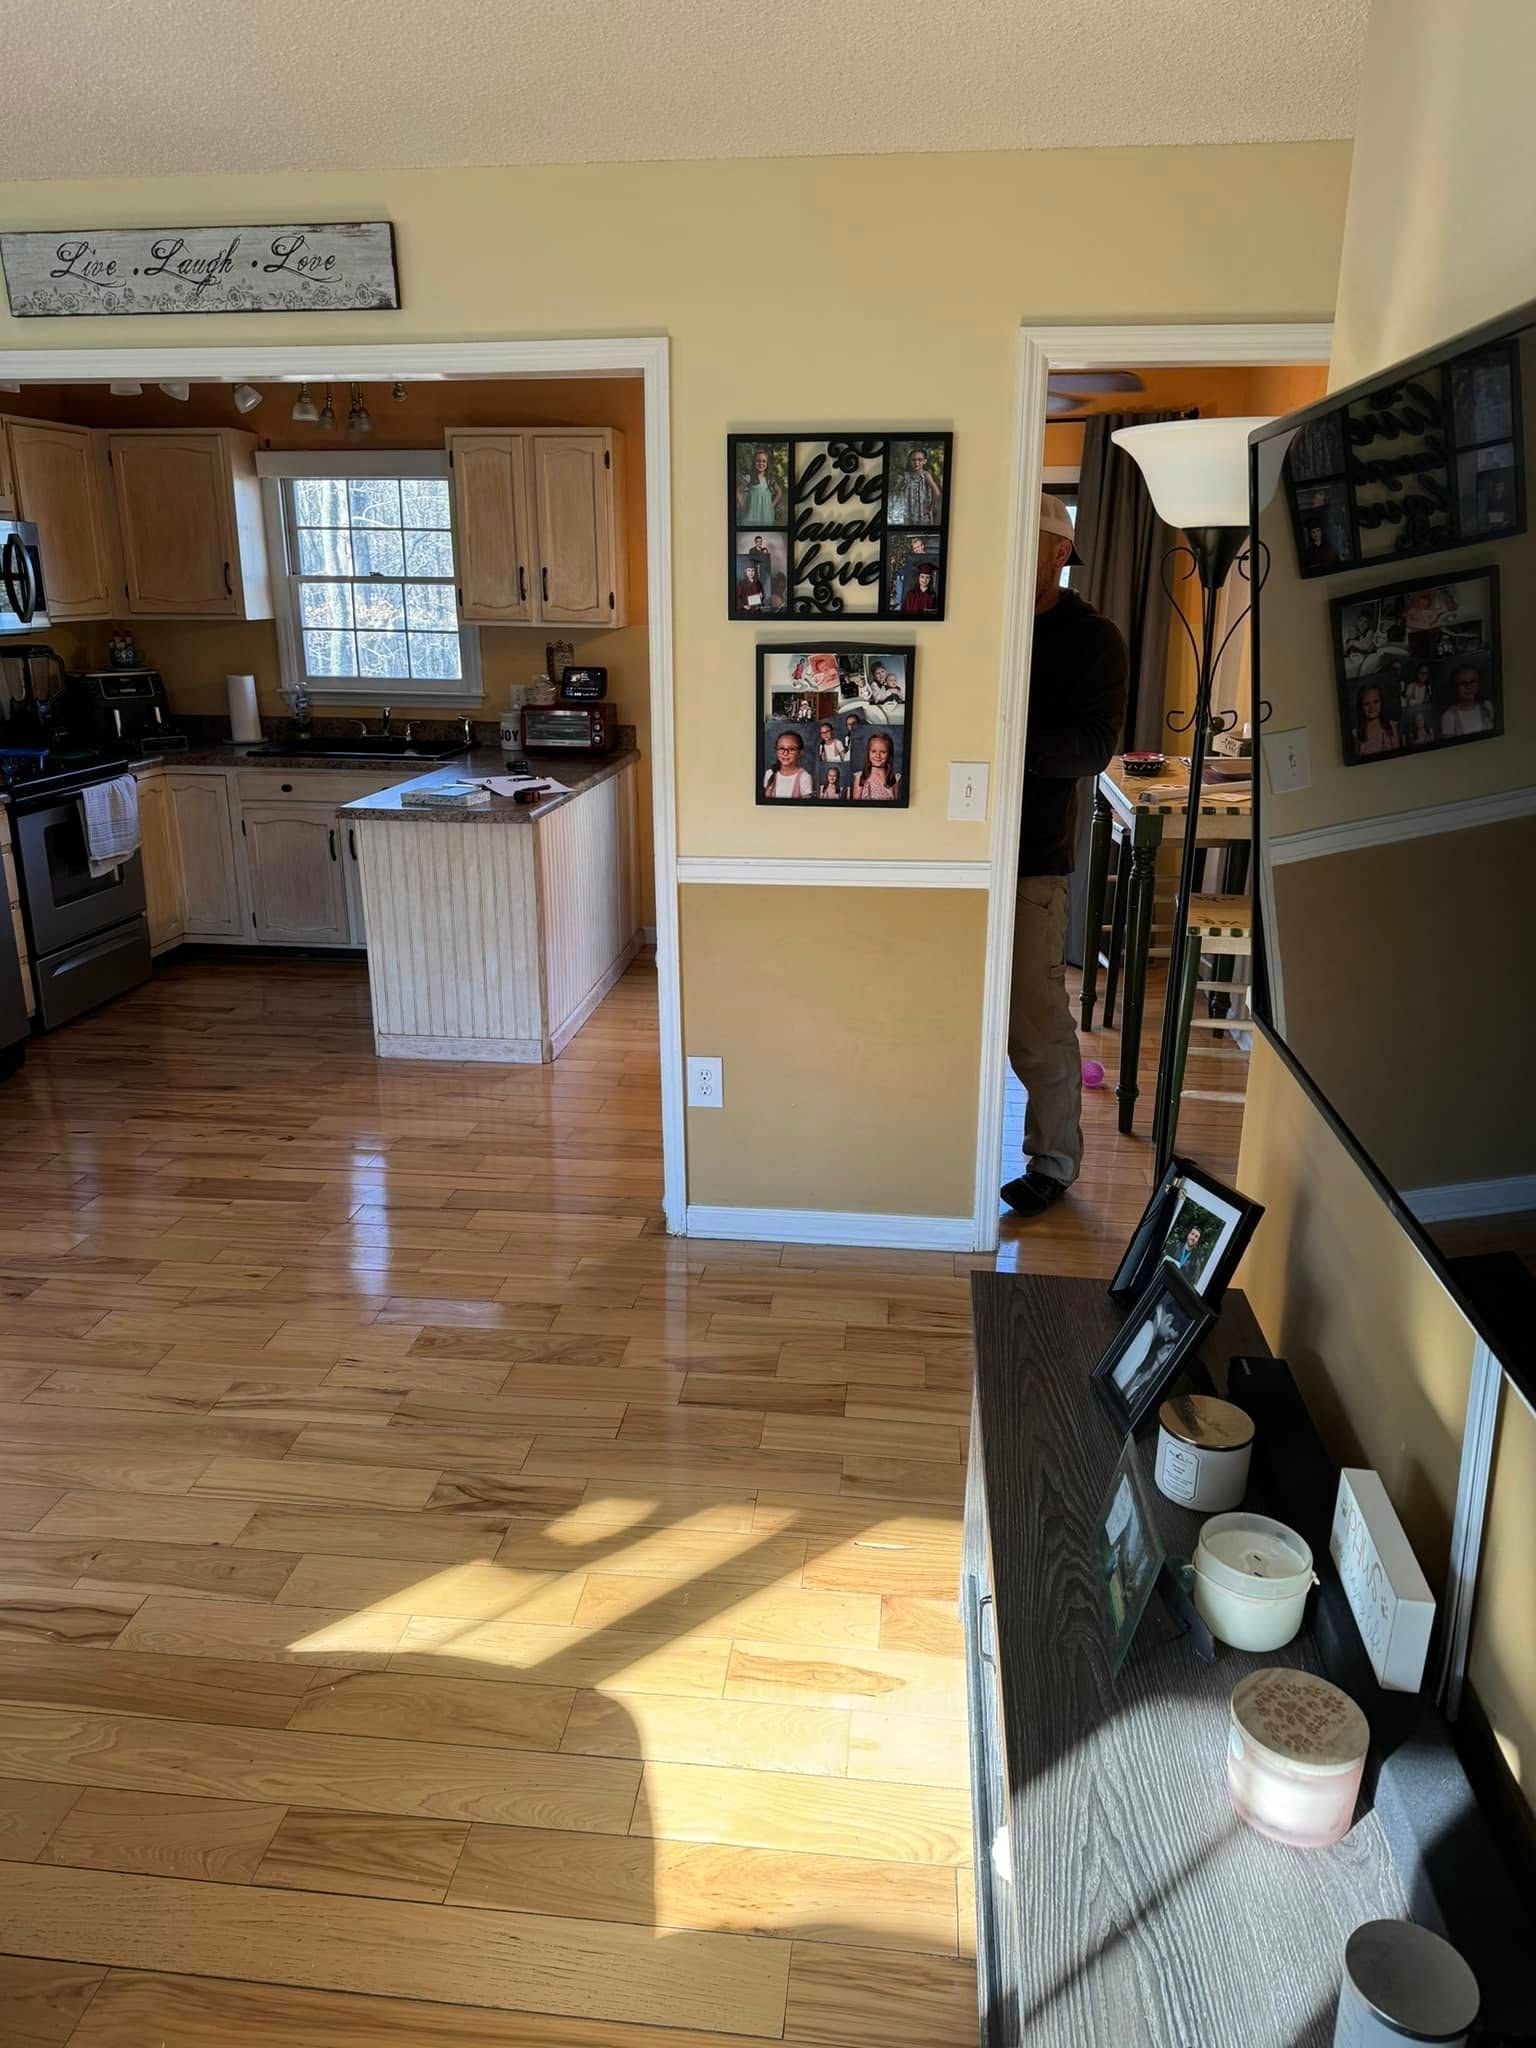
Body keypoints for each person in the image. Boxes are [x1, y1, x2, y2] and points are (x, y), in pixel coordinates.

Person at [1002, 494, 1128, 1219]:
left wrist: (1004, 743)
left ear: (1059, 553)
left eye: (1032, 542)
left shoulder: (1093, 639)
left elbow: (1092, 748)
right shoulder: (982, 619)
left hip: (1034, 855)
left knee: (1037, 1017)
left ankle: (1052, 1162)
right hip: (957, 849)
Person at [888, 446, 942, 527]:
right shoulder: (906, 476)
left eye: (920, 460)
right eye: (914, 460)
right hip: (908, 512)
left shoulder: (925, 475)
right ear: (910, 461)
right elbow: (896, 490)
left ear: (924, 461)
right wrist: (899, 501)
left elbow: (936, 492)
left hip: (922, 513)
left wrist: (930, 507)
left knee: (922, 529)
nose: (916, 462)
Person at [1440, 664, 1494, 737]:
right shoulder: (1449, 716)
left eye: (1473, 681)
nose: (1468, 687)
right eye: (1463, 683)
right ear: (1455, 687)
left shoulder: (1487, 705)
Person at [738, 447, 783, 526]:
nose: (761, 463)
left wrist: (772, 505)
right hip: (751, 514)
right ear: (754, 462)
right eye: (758, 461)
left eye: (764, 461)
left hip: (766, 513)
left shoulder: (769, 478)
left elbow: (779, 492)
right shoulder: (749, 477)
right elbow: (738, 491)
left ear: (767, 463)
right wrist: (742, 506)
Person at [763, 729, 812, 799]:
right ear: (776, 751)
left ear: (800, 753)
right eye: (781, 748)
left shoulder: (804, 777)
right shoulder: (769, 773)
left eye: (791, 749)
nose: (785, 753)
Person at [1354, 683, 1401, 757]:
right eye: (1366, 704)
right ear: (1360, 707)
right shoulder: (1356, 733)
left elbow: (1398, 755)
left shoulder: (1391, 726)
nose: (1372, 707)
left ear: (1381, 702)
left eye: (1376, 702)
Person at [851, 730, 900, 801]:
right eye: (874, 751)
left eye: (883, 752)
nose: (878, 755)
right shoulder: (860, 777)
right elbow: (855, 805)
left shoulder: (894, 778)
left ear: (889, 754)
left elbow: (897, 805)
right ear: (868, 752)